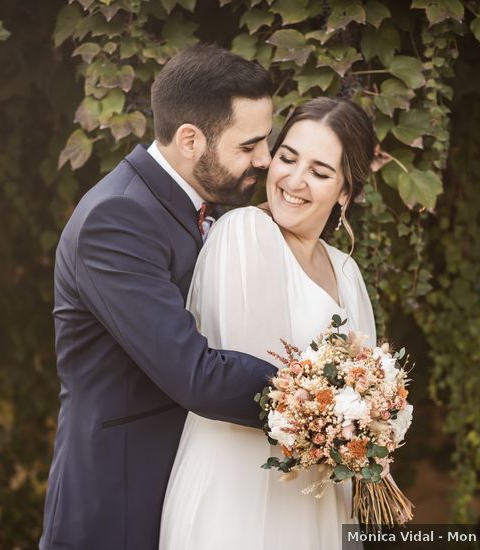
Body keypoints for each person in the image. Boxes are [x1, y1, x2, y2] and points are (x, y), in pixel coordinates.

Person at [39, 44, 278, 550]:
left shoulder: (204, 205)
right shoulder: (117, 219)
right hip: (121, 501)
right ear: (190, 140)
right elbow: (193, 373)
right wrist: (323, 398)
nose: (266, 159)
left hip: (193, 490)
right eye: (250, 144)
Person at [159, 97, 378, 550]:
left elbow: (362, 389)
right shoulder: (245, 233)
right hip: (241, 493)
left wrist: (379, 415)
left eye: (319, 173)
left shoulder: (347, 272)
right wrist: (349, 415)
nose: (294, 181)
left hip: (320, 499)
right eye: (287, 158)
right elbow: (265, 386)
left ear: (345, 191)